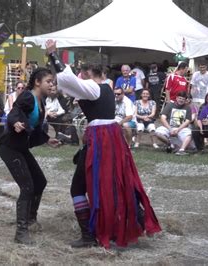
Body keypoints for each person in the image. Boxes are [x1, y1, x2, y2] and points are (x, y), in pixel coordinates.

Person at [46, 40, 161, 249]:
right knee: (117, 182)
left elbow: (68, 79)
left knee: (80, 188)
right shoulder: (107, 86)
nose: (80, 77)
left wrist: (54, 54)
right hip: (109, 139)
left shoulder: (93, 87)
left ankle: (90, 235)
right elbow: (71, 85)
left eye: (83, 74)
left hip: (101, 141)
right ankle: (139, 219)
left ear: (90, 73)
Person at [0, 68, 61, 244]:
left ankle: (31, 220)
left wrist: (48, 140)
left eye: (53, 82)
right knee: (27, 187)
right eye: (49, 81)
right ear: (37, 82)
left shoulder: (41, 103)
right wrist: (15, 122)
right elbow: (14, 112)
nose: (52, 84)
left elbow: (34, 129)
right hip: (9, 148)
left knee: (40, 182)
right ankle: (21, 232)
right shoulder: (27, 96)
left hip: (21, 148)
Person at [155, 91, 192, 156]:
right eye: (180, 98)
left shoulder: (188, 108)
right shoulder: (169, 105)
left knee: (189, 134)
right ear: (176, 98)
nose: (181, 100)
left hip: (181, 128)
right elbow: (163, 118)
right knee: (158, 132)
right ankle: (170, 144)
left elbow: (187, 121)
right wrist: (170, 129)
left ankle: (181, 150)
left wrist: (178, 129)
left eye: (183, 99)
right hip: (169, 126)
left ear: (185, 100)